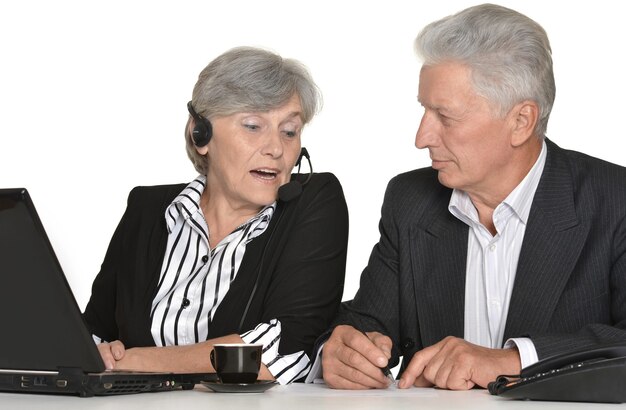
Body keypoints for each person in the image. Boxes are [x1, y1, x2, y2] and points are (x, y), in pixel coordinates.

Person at [314, 3, 626, 391]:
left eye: (445, 117)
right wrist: (341, 349)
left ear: (520, 122)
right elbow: (367, 323)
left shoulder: (616, 200)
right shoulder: (409, 200)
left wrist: (513, 360)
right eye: (424, 111)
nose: (421, 137)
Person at [82, 46, 349, 385]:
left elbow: (280, 353)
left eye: (289, 131)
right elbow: (91, 335)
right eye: (253, 126)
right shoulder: (147, 209)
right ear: (200, 135)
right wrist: (97, 354)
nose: (277, 149)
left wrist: (132, 360)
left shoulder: (313, 204)